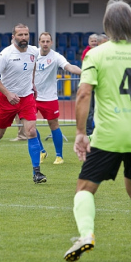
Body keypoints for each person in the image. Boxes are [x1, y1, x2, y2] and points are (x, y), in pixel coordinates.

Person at [63, 0, 131, 262]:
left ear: (106, 25)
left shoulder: (96, 54)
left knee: (84, 188)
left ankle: (86, 234)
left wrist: (79, 133)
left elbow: (84, 93)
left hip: (109, 134)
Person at [0, 23, 47, 184]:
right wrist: (8, 94)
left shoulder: (33, 51)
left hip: (26, 98)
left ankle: (36, 172)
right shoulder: (6, 55)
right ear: (13, 37)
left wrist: (32, 84)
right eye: (20, 35)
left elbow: (32, 66)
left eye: (26, 34)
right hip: (6, 99)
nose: (23, 38)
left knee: (31, 131)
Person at [35, 32, 82, 165]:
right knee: (29, 126)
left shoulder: (56, 57)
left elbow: (70, 67)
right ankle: (41, 151)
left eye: (47, 41)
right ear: (39, 42)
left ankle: (59, 156)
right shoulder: (32, 54)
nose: (45, 44)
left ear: (51, 42)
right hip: (32, 96)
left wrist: (84, 72)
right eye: (43, 41)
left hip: (49, 97)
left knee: (54, 124)